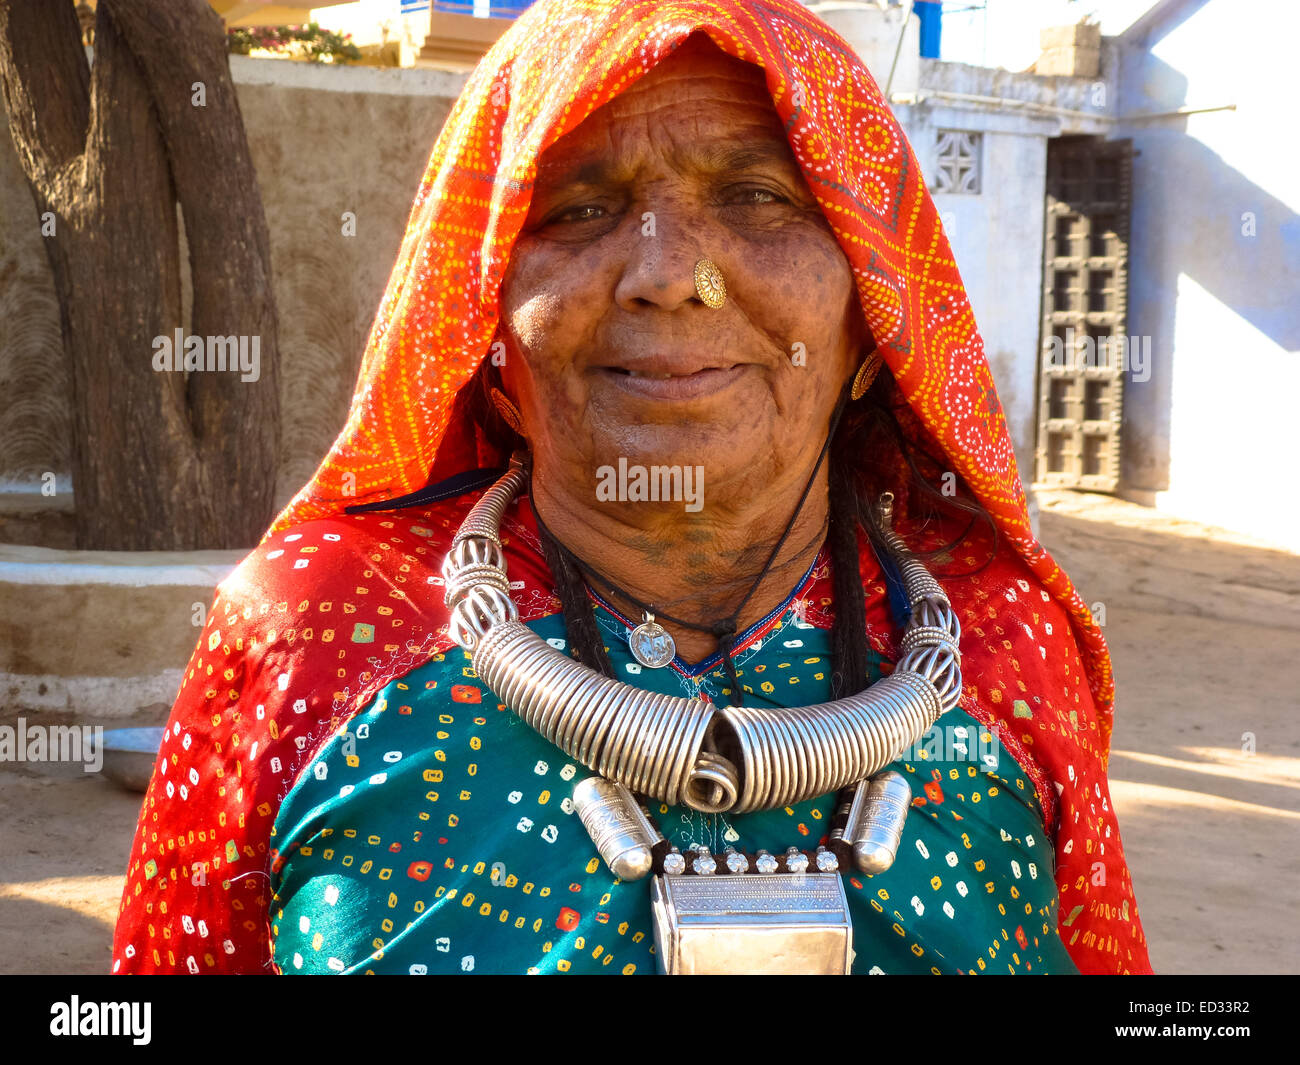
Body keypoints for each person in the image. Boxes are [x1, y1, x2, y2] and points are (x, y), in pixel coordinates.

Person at [112, 0, 1151, 975]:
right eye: (579, 207)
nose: (669, 275)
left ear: (872, 319)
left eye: (757, 197)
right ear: (482, 323)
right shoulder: (318, 626)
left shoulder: (1000, 637)